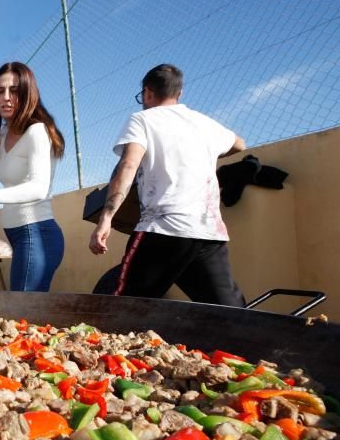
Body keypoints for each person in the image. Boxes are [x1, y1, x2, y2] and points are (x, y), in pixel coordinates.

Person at [89, 64, 247, 306]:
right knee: (230, 312)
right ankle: (248, 342)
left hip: (162, 231)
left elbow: (128, 166)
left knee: (123, 308)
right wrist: (204, 153)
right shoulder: (204, 123)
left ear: (147, 93)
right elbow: (240, 144)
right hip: (207, 233)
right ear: (179, 94)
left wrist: (106, 218)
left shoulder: (142, 119)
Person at [0, 62, 66, 292]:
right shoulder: (3, 132)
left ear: (28, 93)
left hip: (37, 234)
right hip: (19, 235)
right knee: (25, 314)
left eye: (14, 90)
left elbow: (39, 187)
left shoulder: (37, 131)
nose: (6, 97)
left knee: (22, 313)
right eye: (0, 91)